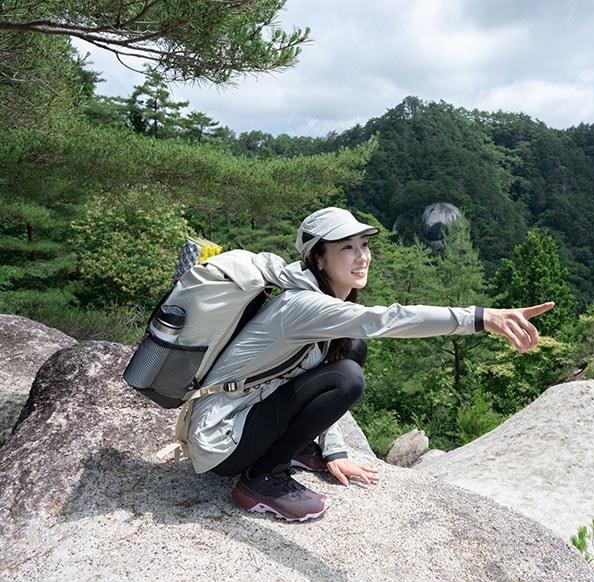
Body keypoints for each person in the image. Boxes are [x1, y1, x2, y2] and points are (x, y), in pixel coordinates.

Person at [185, 207, 554, 521]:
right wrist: (482, 317)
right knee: (346, 378)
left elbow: (305, 375)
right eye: (346, 248)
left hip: (249, 414)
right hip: (223, 440)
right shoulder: (303, 305)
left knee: (351, 351)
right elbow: (388, 319)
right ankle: (261, 478)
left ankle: (289, 448)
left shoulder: (318, 297)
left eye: (364, 244)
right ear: (317, 258)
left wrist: (334, 450)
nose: (362, 256)